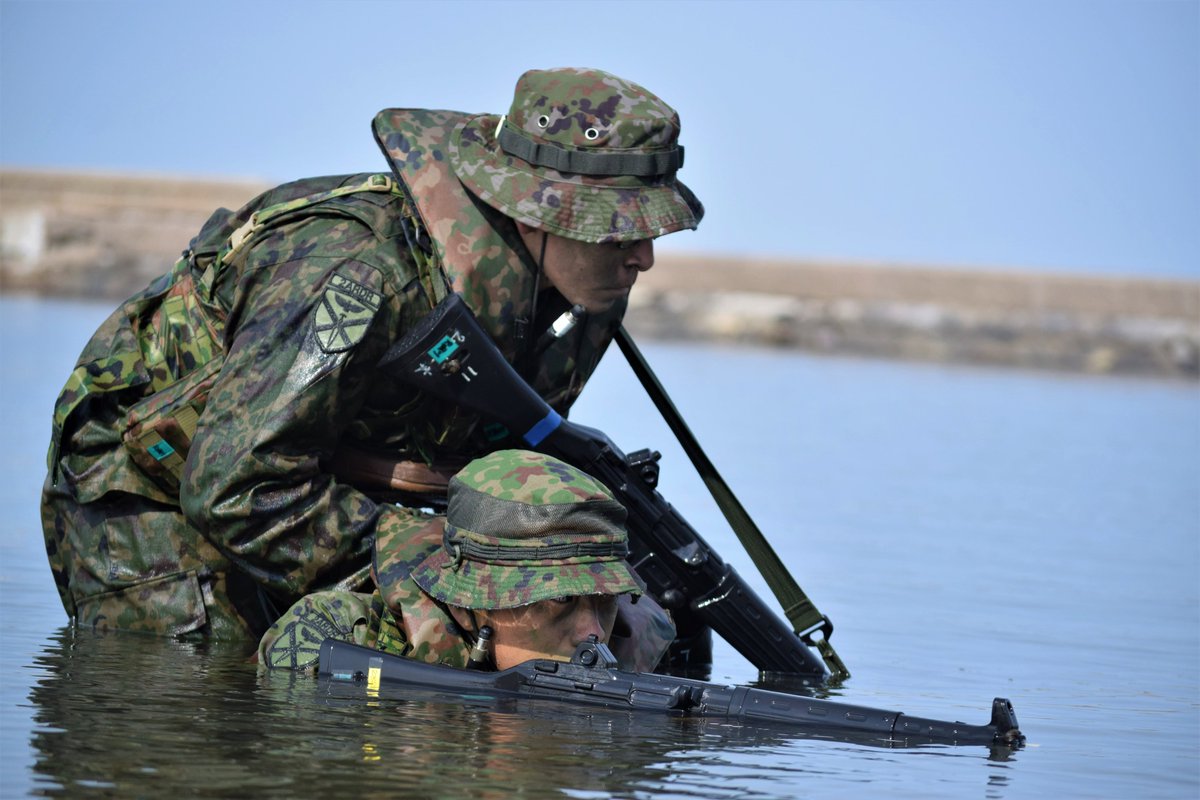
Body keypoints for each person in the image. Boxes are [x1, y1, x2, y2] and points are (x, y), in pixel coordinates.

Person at [41, 67, 703, 640]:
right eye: (619, 231)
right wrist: (436, 563)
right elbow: (235, 487)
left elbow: (483, 467)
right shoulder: (358, 271)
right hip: (151, 477)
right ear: (531, 212)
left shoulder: (575, 299)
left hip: (329, 483)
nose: (644, 257)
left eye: (651, 232)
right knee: (201, 680)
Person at [258, 449, 675, 673]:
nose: (594, 632)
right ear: (467, 603)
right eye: (562, 597)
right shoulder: (336, 638)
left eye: (604, 599)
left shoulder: (635, 650)